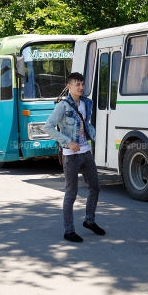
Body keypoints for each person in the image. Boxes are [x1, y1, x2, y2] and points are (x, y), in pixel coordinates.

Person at [43, 72, 105, 243]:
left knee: (95, 187)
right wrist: (68, 142)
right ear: (68, 86)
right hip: (71, 155)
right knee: (71, 193)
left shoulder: (86, 103)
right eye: (77, 84)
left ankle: (89, 220)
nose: (81, 87)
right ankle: (69, 231)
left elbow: (85, 124)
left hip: (85, 152)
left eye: (82, 84)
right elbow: (47, 127)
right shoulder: (63, 106)